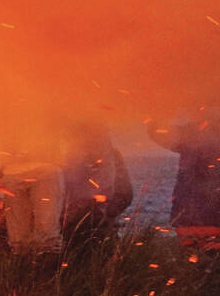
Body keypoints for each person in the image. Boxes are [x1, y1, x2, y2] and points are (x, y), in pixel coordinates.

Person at [60, 123, 133, 259]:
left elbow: (125, 194)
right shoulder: (65, 156)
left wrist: (105, 212)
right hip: (68, 230)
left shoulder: (112, 156)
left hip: (101, 229)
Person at [150, 109, 220, 241]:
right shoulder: (191, 133)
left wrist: (154, 115)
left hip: (189, 217)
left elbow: (159, 133)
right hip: (195, 219)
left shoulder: (191, 134)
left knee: (192, 257)